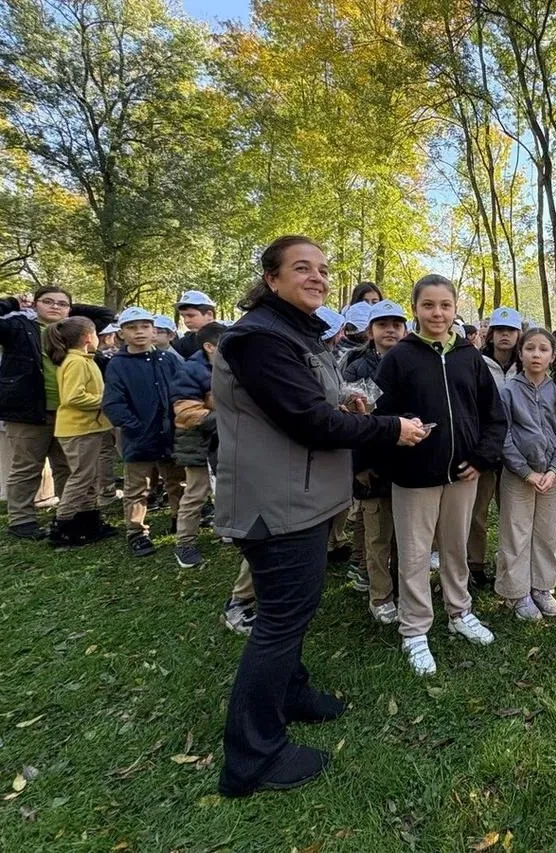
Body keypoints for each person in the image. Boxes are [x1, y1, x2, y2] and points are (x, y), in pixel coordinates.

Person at [213, 236, 426, 797]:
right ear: (271, 278)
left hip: (302, 498)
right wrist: (389, 428)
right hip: (276, 502)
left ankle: (291, 692)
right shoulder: (259, 339)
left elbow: (311, 405)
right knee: (280, 620)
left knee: (296, 609)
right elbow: (307, 421)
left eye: (324, 270)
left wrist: (345, 404)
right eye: (302, 268)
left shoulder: (292, 332)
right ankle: (252, 757)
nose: (318, 277)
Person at [373, 274, 506, 677]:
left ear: (454, 308)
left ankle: (459, 611)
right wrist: (397, 437)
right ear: (415, 308)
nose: (437, 313)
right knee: (415, 554)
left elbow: (494, 416)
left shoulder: (470, 357)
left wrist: (482, 458)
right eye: (428, 305)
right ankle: (414, 629)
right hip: (414, 475)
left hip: (463, 474)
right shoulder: (399, 358)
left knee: (455, 546)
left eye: (445, 305)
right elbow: (378, 418)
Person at [0, 288, 115, 540]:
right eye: (48, 302)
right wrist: (13, 303)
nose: (55, 307)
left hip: (68, 413)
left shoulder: (70, 332)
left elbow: (105, 315)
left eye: (62, 303)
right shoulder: (18, 328)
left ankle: (76, 517)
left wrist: (68, 310)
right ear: (35, 304)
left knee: (69, 467)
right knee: (27, 466)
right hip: (29, 410)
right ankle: (21, 520)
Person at [497, 327, 556, 620]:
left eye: (543, 349)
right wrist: (526, 472)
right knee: (516, 533)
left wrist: (554, 470)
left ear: (553, 356)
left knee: (546, 532)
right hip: (518, 476)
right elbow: (503, 436)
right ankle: (516, 592)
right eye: (530, 349)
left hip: (551, 477)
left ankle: (541, 587)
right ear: (521, 353)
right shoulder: (509, 391)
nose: (536, 355)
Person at [102, 307, 185, 558]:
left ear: (153, 330)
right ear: (122, 333)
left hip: (171, 434)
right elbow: (113, 403)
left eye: (145, 327)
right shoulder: (118, 364)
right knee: (138, 486)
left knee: (177, 480)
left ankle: (180, 519)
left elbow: (183, 389)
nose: (139, 332)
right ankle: (136, 531)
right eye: (132, 327)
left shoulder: (168, 359)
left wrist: (181, 420)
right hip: (139, 436)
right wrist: (134, 427)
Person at [346, 300, 408, 622]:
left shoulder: (412, 361)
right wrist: (359, 466)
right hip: (372, 465)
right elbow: (349, 424)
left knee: (404, 536)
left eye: (396, 325)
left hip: (407, 464)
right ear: (370, 331)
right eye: (383, 325)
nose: (390, 331)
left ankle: (401, 590)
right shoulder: (356, 367)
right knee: (377, 536)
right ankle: (380, 595)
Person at [45, 317, 116, 548]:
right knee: (81, 477)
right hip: (79, 429)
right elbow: (73, 397)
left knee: (89, 476)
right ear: (87, 337)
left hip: (89, 427)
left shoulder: (84, 360)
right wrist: (106, 400)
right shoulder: (76, 362)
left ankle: (89, 521)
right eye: (96, 333)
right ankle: (63, 524)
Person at [469, 306, 522, 586]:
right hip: (484, 449)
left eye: (510, 330)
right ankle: (474, 564)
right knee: (477, 512)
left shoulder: (524, 364)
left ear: (518, 334)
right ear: (490, 334)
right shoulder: (476, 362)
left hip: (516, 451)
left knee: (512, 514)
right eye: (500, 330)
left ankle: (511, 566)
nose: (505, 335)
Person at [172, 322, 225, 570]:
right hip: (197, 441)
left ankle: (226, 529)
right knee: (196, 492)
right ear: (209, 346)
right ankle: (185, 542)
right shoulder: (191, 370)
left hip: (224, 438)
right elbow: (185, 412)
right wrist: (226, 418)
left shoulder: (229, 366)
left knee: (226, 487)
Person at [174, 290, 218, 358]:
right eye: (183, 316)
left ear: (209, 314)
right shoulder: (182, 344)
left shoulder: (229, 337)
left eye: (191, 316)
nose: (186, 321)